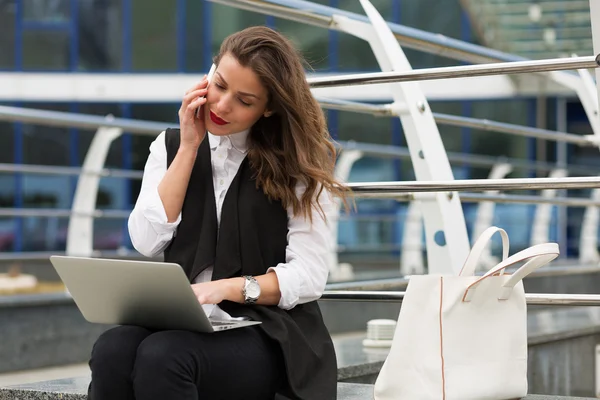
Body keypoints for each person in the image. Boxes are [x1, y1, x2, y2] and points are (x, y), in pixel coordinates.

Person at [87, 25, 350, 400]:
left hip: (269, 333)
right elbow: (146, 241)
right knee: (112, 350)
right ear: (208, 75)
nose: (223, 105)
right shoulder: (172, 145)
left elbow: (309, 276)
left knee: (165, 357)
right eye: (220, 85)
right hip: (187, 322)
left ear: (269, 107)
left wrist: (224, 289)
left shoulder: (300, 163)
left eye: (245, 100)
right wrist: (190, 147)